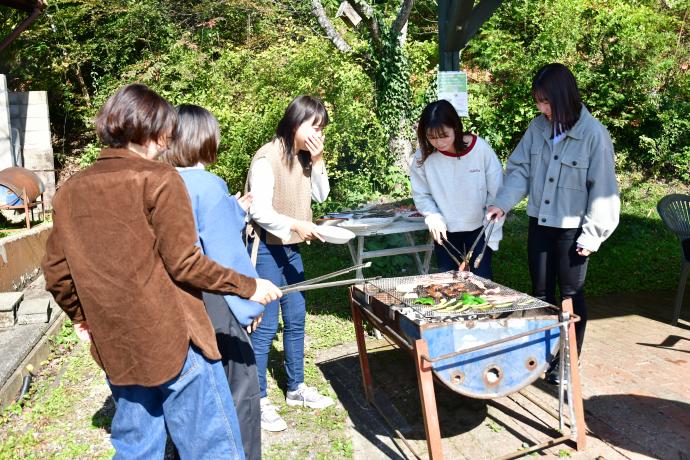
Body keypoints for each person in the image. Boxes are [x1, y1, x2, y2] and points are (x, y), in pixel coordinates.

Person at [42, 84, 282, 459]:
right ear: (154, 130)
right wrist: (248, 286)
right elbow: (185, 263)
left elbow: (57, 274)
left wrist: (82, 318)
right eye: (166, 131)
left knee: (138, 449)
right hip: (176, 341)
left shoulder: (69, 190)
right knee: (213, 450)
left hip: (117, 343)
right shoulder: (159, 179)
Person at [486, 63, 620, 382]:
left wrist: (593, 234)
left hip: (573, 231)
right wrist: (502, 204)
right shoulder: (537, 128)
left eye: (546, 102)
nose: (541, 108)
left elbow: (604, 189)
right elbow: (519, 170)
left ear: (563, 98)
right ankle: (544, 354)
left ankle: (569, 359)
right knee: (540, 293)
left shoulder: (593, 134)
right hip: (540, 225)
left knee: (570, 295)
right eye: (538, 101)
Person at [159, 104, 264, 460]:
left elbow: (192, 234)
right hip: (214, 300)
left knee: (190, 389)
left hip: (172, 300)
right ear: (204, 139)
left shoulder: (157, 180)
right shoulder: (207, 184)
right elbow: (224, 253)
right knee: (241, 383)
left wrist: (233, 209)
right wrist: (251, 303)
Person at [245, 95, 333, 432]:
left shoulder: (306, 157)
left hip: (292, 247)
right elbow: (259, 211)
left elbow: (321, 196)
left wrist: (319, 158)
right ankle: (258, 398)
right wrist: (296, 225)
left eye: (322, 130)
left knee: (296, 317)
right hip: (267, 248)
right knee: (266, 325)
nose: (318, 134)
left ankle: (296, 388)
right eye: (315, 127)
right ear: (295, 123)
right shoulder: (266, 158)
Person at [409, 99, 504, 279]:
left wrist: (494, 212)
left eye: (444, 135)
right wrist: (433, 216)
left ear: (456, 127)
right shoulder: (423, 155)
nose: (439, 142)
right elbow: (421, 193)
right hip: (444, 229)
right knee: (449, 281)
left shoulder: (479, 149)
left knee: (481, 280)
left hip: (480, 227)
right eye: (432, 137)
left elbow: (497, 188)